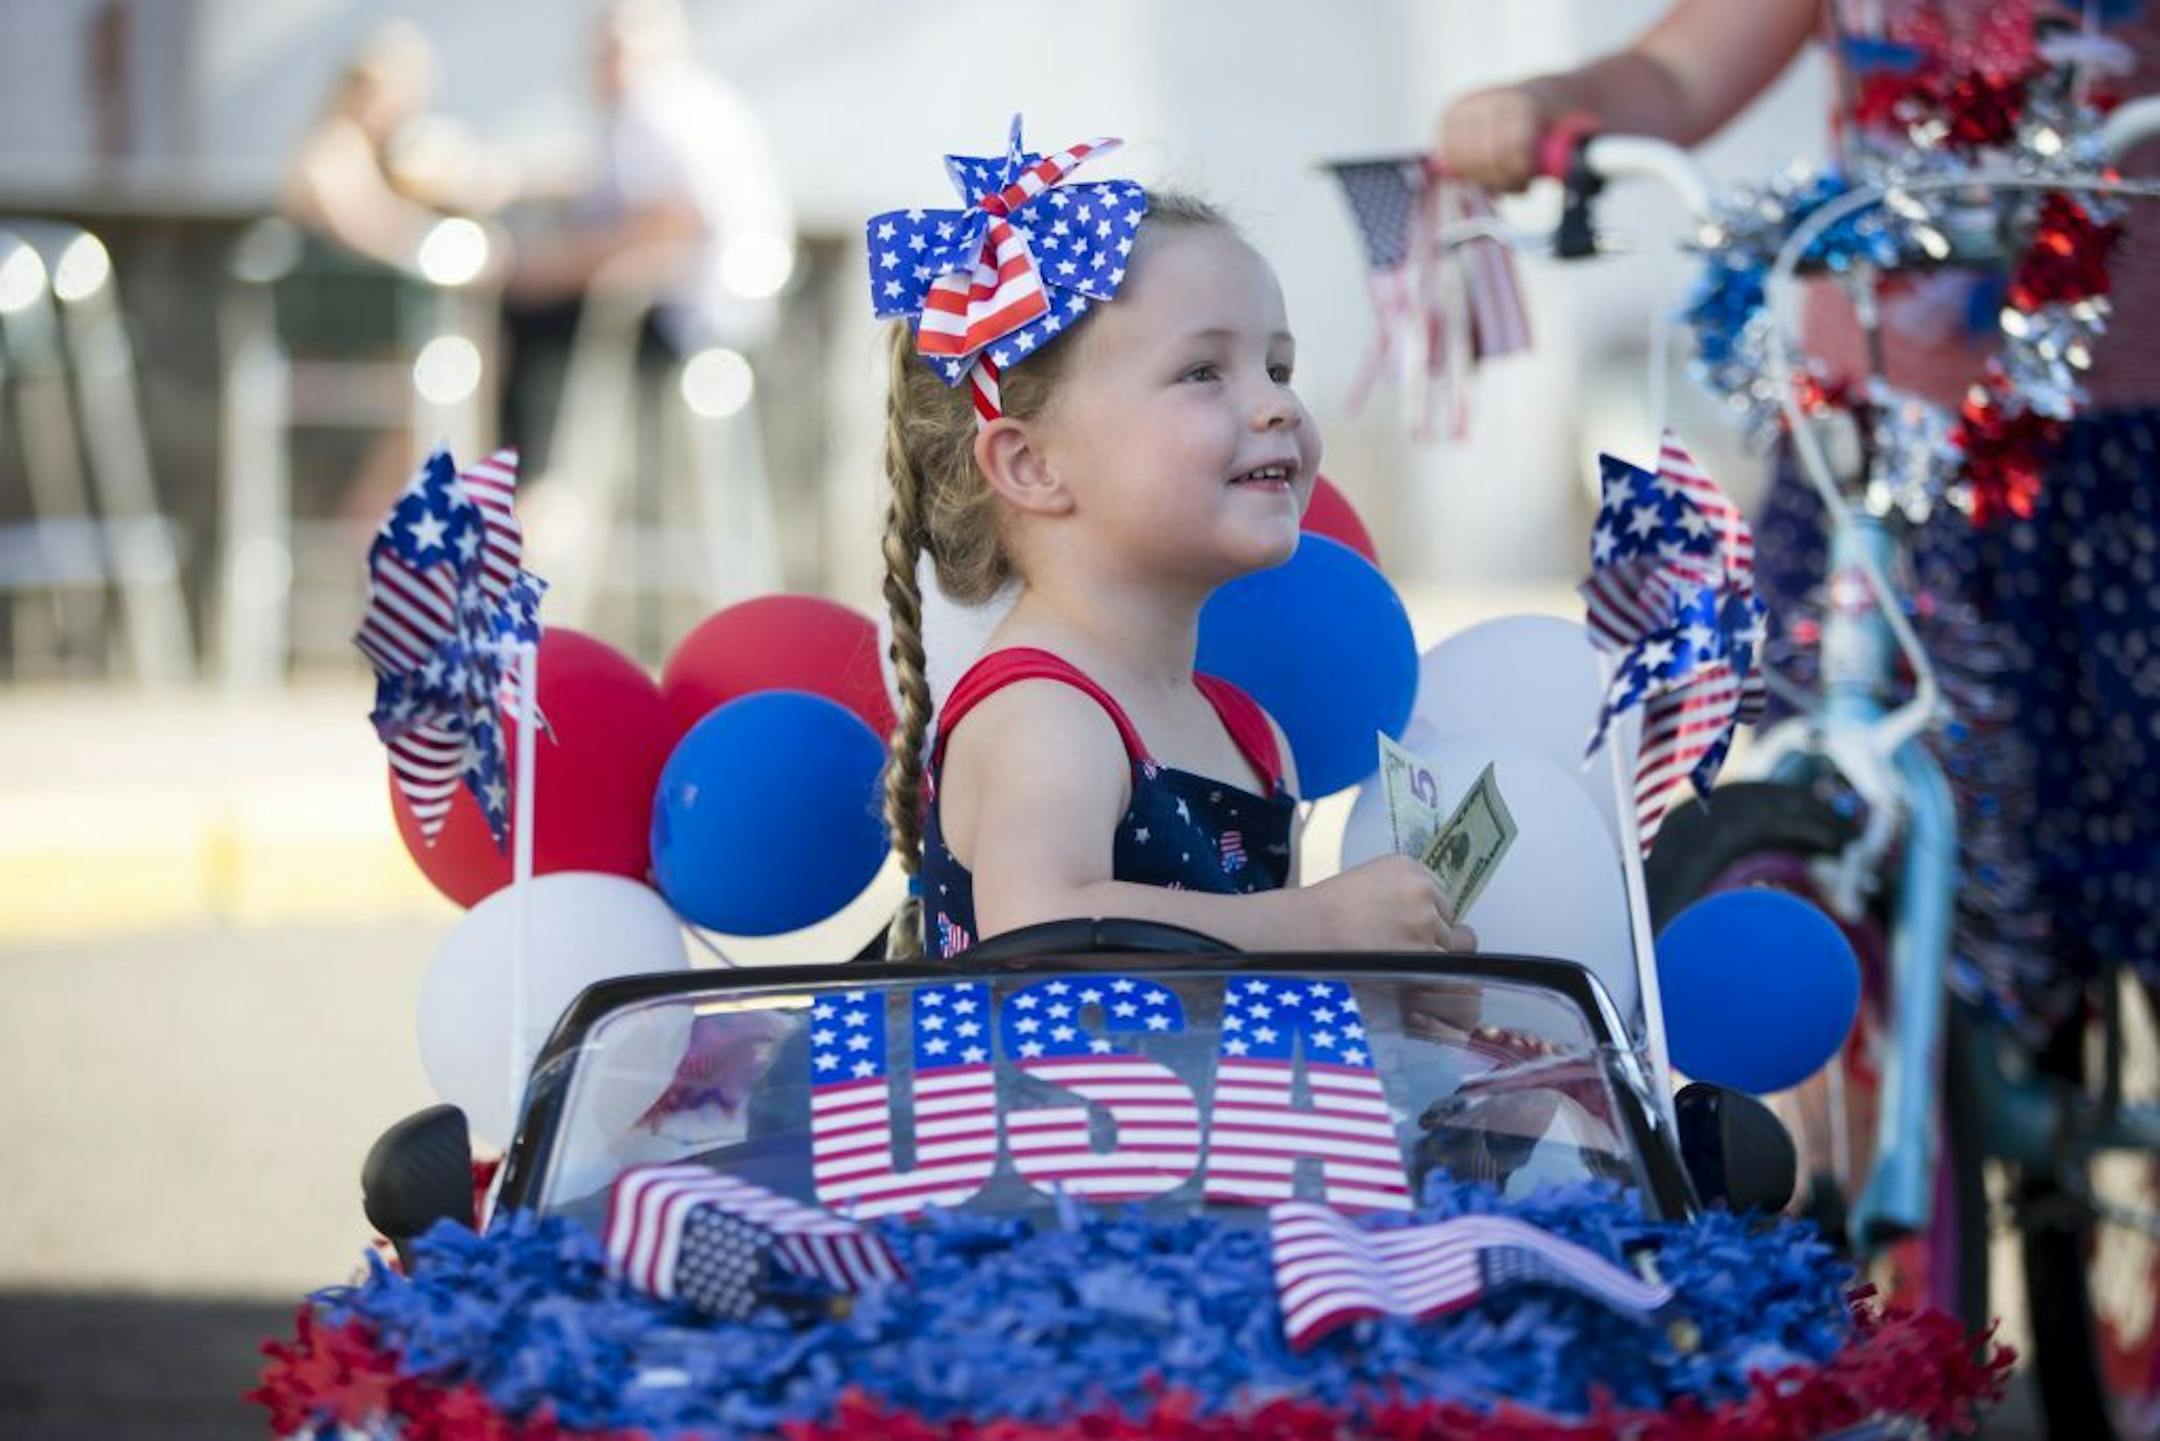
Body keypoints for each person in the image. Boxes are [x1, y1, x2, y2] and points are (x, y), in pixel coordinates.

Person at [1437, 0, 2160, 1033]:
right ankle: (1877, 1137)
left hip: (2115, 465)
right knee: (1847, 839)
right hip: (1862, 461)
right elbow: (1679, 76)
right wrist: (1550, 104)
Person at [871, 134, 1478, 960]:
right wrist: (1324, 927)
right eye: (1203, 372)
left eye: (1279, 366)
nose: (1276, 407)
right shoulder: (1044, 712)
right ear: (1031, 463)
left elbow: (1253, 1000)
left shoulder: (1252, 737)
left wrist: (1397, 996)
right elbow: (1039, 933)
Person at [499, 0, 793, 459]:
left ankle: (528, 490)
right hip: (736, 318)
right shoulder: (700, 102)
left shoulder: (655, 110)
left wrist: (541, 269)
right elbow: (603, 186)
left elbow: (663, 229)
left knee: (517, 318)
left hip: (682, 318)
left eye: (618, 47)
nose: (606, 61)